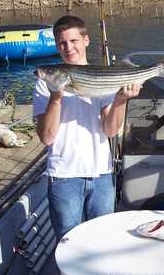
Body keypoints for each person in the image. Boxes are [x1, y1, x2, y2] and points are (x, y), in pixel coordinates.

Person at [33, 15, 141, 241]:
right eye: (62, 43)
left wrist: (121, 100)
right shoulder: (44, 84)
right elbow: (46, 137)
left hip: (101, 174)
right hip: (64, 177)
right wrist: (56, 95)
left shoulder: (102, 76)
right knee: (68, 243)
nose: (68, 47)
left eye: (73, 41)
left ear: (86, 41)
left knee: (103, 240)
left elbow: (110, 130)